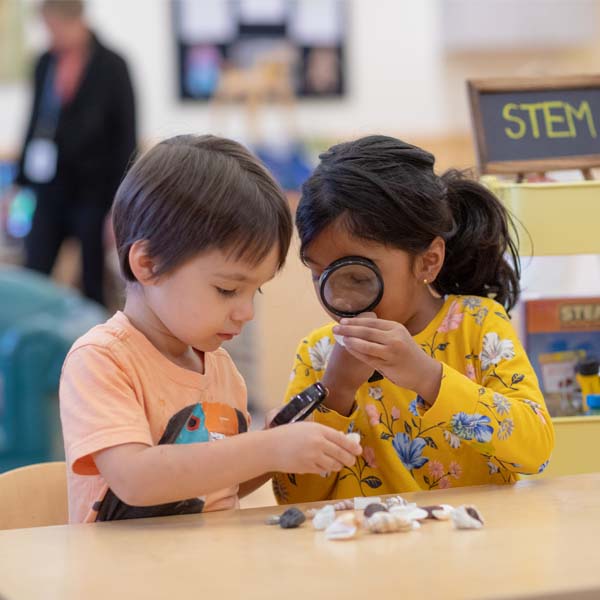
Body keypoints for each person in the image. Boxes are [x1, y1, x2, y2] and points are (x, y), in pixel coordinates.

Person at [59, 134, 361, 523]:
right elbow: (136, 480)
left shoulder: (221, 370)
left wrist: (278, 448)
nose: (246, 312)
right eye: (228, 289)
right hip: (128, 577)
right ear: (148, 264)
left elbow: (216, 486)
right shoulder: (101, 361)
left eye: (256, 291)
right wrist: (266, 448)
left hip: (213, 570)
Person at [272, 135, 554, 504]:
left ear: (428, 261)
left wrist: (429, 377)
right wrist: (335, 396)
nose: (338, 299)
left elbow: (536, 450)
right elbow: (292, 496)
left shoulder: (478, 325)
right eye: (318, 275)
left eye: (357, 277)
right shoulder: (319, 354)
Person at [7, 0, 136, 305]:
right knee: (33, 271)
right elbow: (34, 124)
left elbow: (126, 137)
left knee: (92, 281)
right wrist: (19, 184)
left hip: (94, 193)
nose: (50, 35)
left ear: (76, 20)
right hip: (50, 188)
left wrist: (120, 206)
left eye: (54, 27)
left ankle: (94, 350)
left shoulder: (112, 65)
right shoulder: (44, 63)